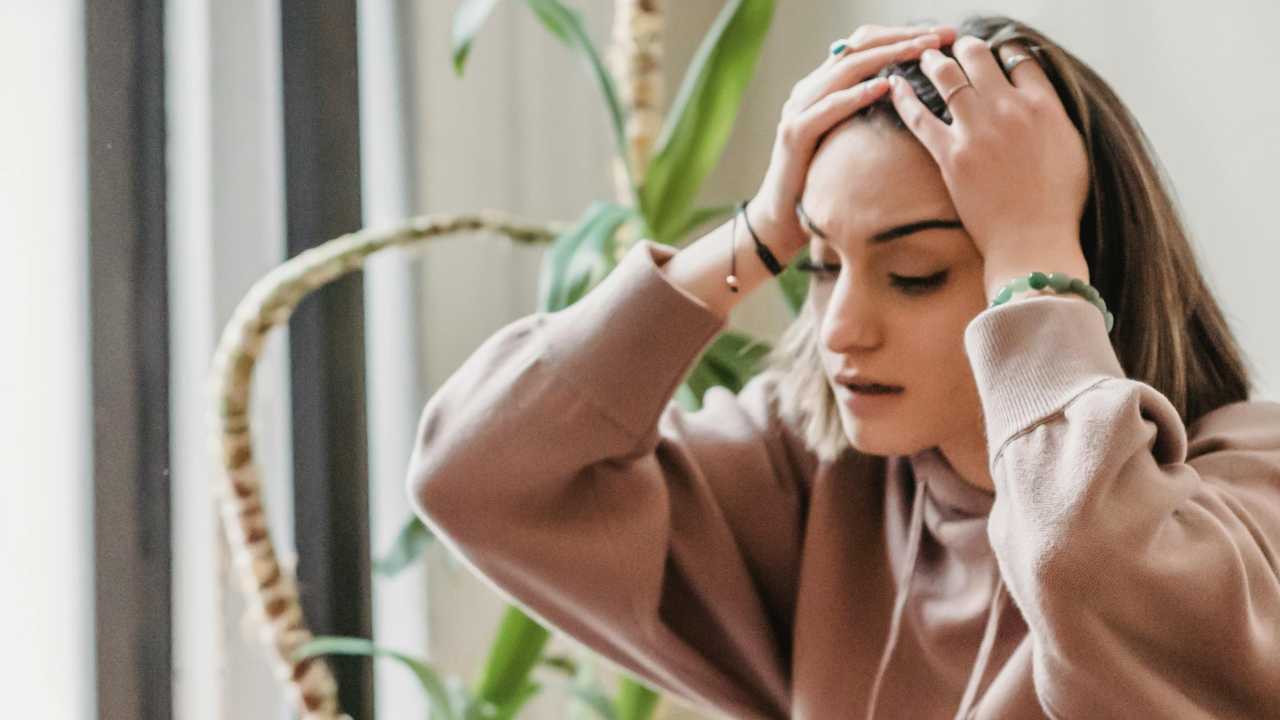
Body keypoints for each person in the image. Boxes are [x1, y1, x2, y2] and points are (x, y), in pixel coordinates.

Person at [406, 13, 1280, 720]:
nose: (840, 330)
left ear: (1077, 270)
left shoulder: (1245, 497)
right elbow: (474, 476)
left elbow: (1084, 571)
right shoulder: (817, 484)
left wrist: (1034, 259)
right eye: (823, 264)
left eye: (914, 274)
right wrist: (759, 233)